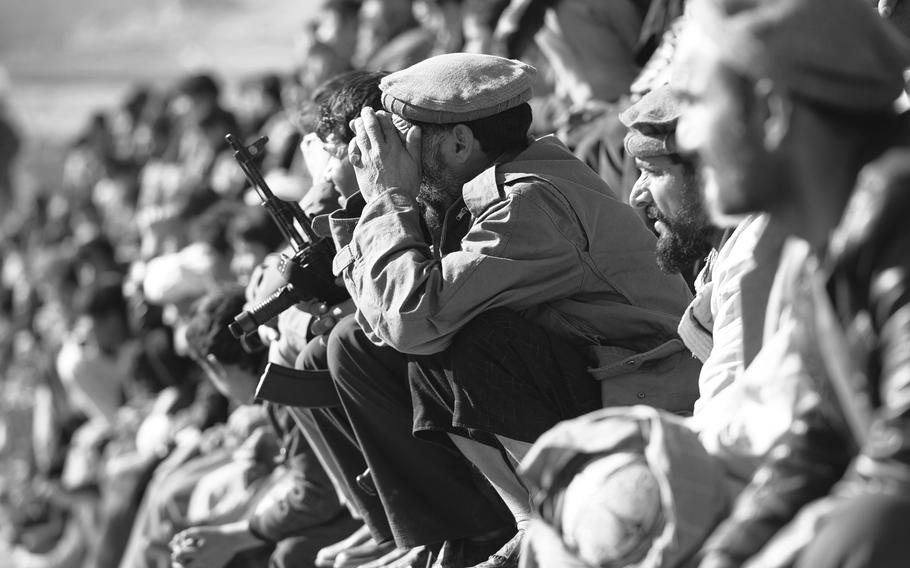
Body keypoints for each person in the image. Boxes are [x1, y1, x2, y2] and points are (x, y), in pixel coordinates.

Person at [328, 52, 697, 566]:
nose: (389, 151)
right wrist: (369, 205)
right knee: (353, 344)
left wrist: (386, 199)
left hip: (649, 393)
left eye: (402, 134)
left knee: (473, 336)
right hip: (590, 374)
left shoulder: (530, 202)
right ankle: (482, 528)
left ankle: (546, 519)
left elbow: (412, 319)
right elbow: (381, 328)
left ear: (460, 142)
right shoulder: (471, 189)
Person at [671, 0, 910, 566]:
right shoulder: (821, 249)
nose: (683, 138)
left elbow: (899, 477)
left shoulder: (900, 225)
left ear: (772, 111)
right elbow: (816, 445)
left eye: (696, 102)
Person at [517, 83, 792, 568]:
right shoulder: (728, 248)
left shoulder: (754, 260)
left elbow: (732, 423)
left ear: (713, 173)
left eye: (651, 172)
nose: (636, 195)